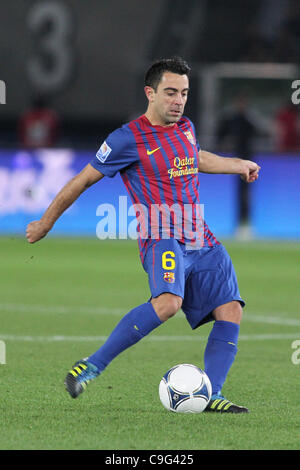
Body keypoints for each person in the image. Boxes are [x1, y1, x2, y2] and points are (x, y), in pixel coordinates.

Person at [26, 57, 260, 413]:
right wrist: (46, 222)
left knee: (230, 310)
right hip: (161, 236)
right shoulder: (126, 139)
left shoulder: (185, 127)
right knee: (168, 303)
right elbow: (82, 180)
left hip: (201, 237)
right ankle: (91, 366)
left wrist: (237, 164)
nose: (178, 100)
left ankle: (212, 395)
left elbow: (194, 157)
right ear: (150, 93)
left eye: (183, 93)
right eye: (170, 92)